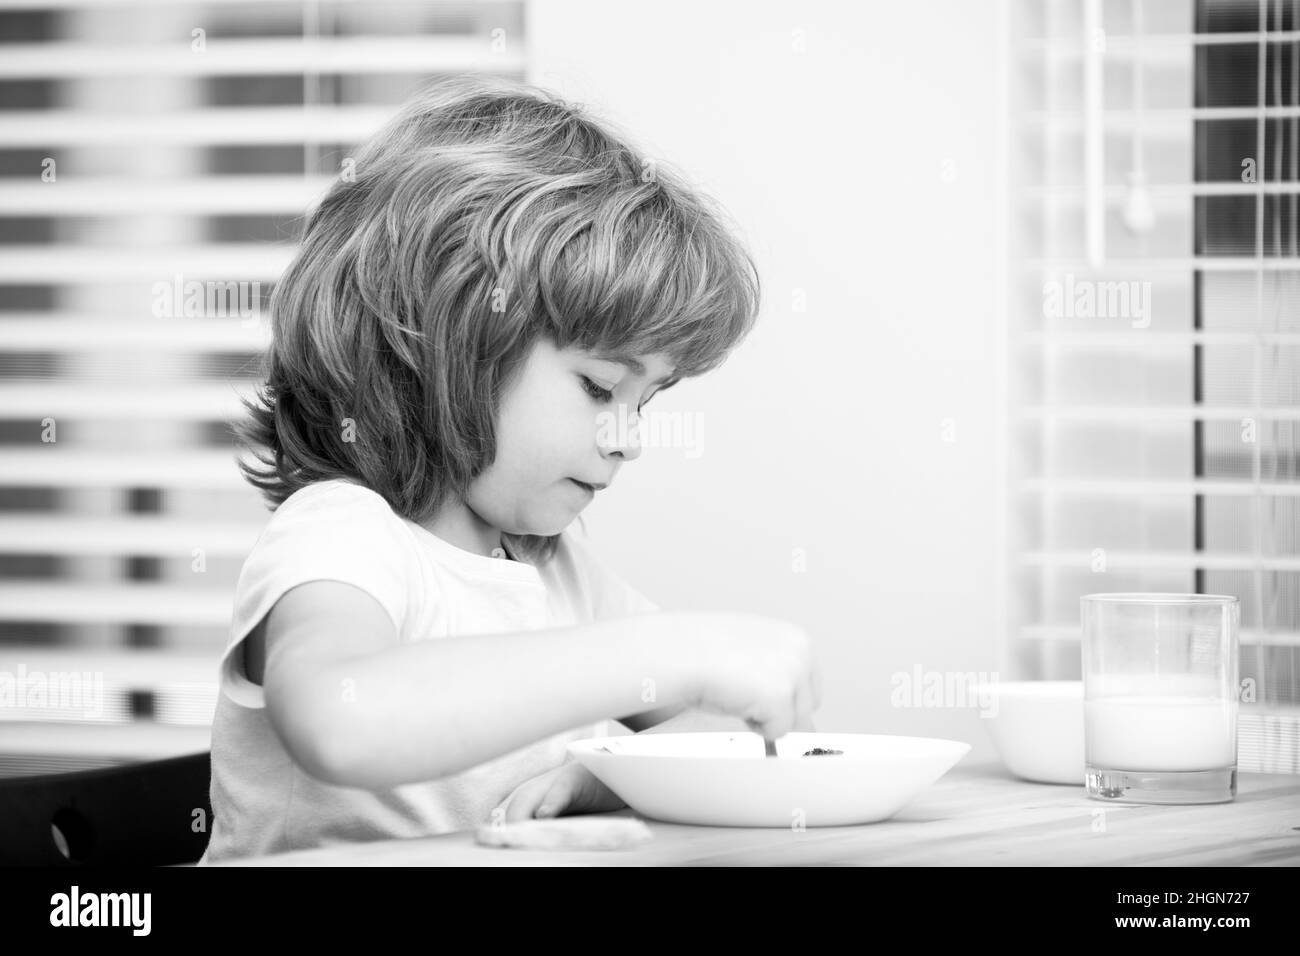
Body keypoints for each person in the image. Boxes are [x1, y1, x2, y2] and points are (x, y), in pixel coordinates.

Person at [198, 74, 819, 863]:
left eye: (647, 400)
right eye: (599, 386)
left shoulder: (559, 571)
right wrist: (662, 657)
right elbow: (337, 719)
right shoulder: (340, 540)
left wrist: (619, 773)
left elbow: (719, 735)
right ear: (444, 339)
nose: (630, 439)